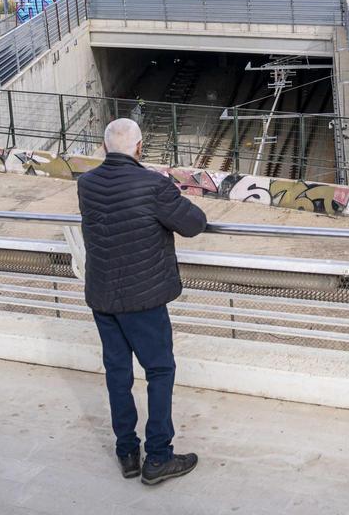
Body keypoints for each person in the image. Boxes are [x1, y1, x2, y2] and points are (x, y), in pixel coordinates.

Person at [77, 118, 207, 485]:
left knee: (118, 374)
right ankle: (159, 458)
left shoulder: (86, 184)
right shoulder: (153, 185)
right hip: (144, 298)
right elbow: (194, 224)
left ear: (104, 148)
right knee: (160, 371)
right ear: (139, 148)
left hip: (103, 296)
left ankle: (128, 454)